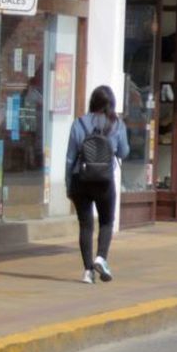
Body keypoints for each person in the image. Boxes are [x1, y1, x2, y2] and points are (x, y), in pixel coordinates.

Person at [65, 85, 129, 284]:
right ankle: (101, 257)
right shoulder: (117, 125)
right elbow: (124, 152)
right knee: (107, 221)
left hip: (80, 179)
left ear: (92, 102)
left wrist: (68, 184)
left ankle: (87, 272)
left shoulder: (79, 124)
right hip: (104, 181)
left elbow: (70, 158)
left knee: (86, 225)